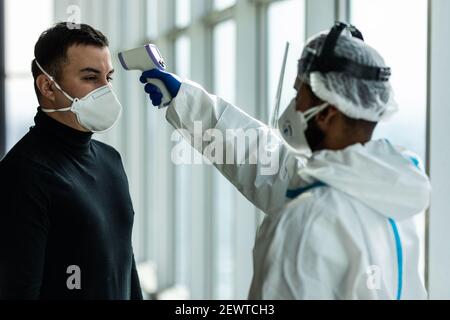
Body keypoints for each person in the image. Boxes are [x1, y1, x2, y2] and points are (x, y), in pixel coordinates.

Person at [140, 23, 431, 299]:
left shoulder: (307, 219)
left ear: (327, 113)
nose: (294, 106)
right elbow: (269, 165)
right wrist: (185, 99)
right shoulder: (387, 193)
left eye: (298, 94)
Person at [0, 22, 142, 300]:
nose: (106, 90)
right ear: (48, 87)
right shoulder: (22, 174)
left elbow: (126, 268)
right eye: (90, 78)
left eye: (108, 78)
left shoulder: (110, 160)